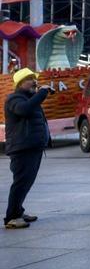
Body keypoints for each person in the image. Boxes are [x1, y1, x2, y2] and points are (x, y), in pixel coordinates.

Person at [4, 68, 49, 229]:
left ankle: (18, 210)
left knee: (27, 182)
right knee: (21, 182)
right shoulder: (14, 99)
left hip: (32, 147)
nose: (35, 82)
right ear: (21, 83)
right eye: (31, 79)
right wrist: (41, 94)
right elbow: (23, 110)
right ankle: (12, 217)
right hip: (22, 148)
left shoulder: (29, 98)